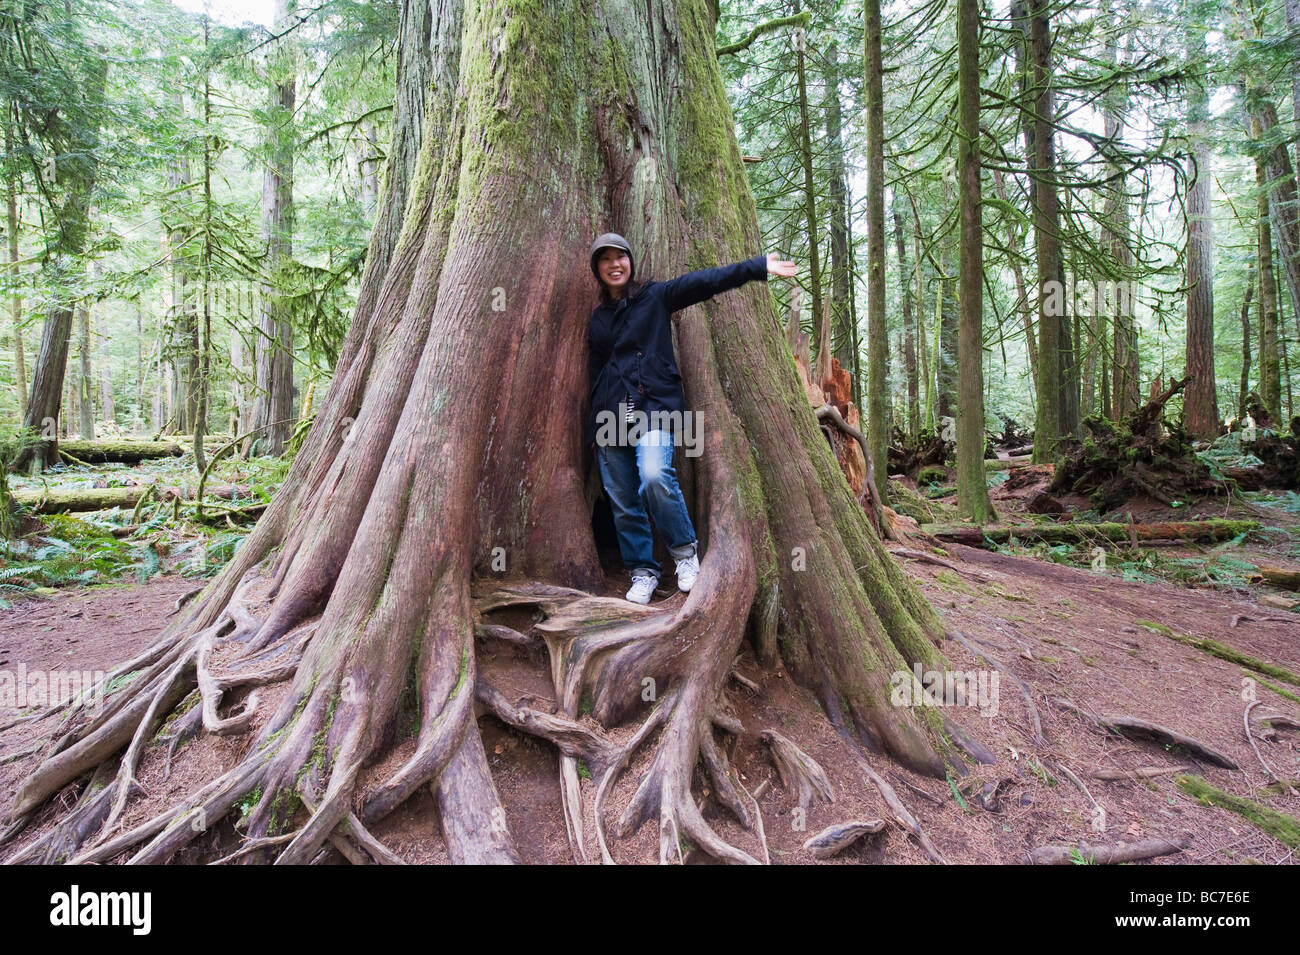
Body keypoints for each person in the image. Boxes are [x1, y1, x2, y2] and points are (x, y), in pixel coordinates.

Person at [586, 232, 798, 604]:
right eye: (605, 259)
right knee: (623, 500)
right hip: (612, 417)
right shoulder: (598, 320)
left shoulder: (655, 296)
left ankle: (684, 554)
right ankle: (642, 572)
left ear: (630, 261)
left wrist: (757, 267)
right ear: (597, 269)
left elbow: (705, 282)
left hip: (654, 408)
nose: (614, 265)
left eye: (620, 257)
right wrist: (594, 427)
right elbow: (596, 372)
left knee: (654, 476)